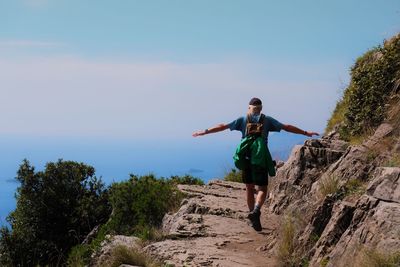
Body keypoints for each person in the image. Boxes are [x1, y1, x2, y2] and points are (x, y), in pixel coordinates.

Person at [192, 97, 319, 231]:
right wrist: (305, 133)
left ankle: (253, 215)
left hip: (246, 158)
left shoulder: (243, 119)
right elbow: (286, 127)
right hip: (260, 159)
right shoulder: (267, 120)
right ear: (261, 108)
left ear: (249, 108)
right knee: (262, 189)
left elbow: (222, 126)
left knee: (249, 187)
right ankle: (256, 211)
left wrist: (204, 132)